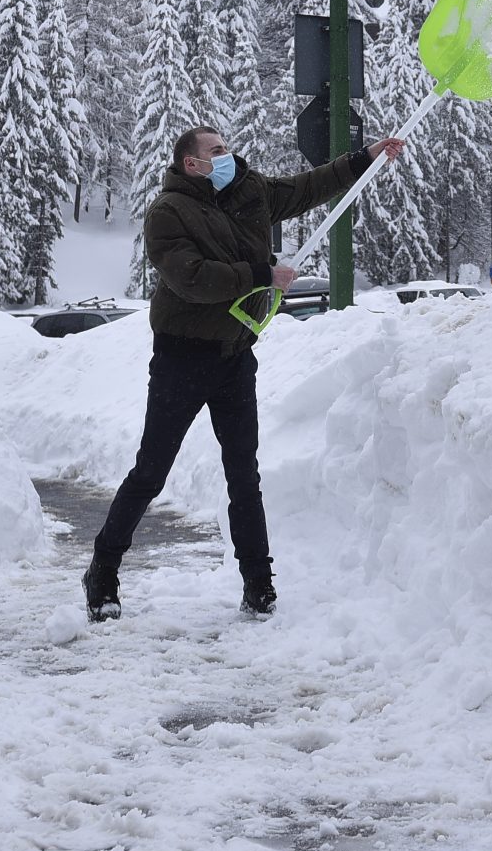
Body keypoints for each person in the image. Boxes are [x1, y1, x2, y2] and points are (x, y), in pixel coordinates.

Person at [84, 122, 404, 622]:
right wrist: (261, 275)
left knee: (244, 476)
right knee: (151, 472)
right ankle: (103, 570)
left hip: (234, 356)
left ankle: (259, 585)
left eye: (226, 147)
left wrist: (366, 157)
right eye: (217, 150)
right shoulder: (168, 214)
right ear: (192, 163)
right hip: (181, 357)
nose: (228, 155)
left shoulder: (249, 190)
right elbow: (191, 280)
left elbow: (307, 187)